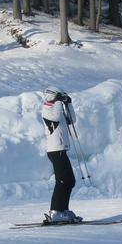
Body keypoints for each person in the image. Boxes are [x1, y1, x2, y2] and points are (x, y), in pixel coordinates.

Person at [42, 87, 82, 224]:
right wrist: (59, 101)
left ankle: (63, 210)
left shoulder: (57, 108)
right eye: (58, 96)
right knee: (62, 181)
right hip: (55, 150)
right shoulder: (47, 109)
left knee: (70, 180)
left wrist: (68, 103)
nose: (60, 98)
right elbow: (56, 117)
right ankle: (55, 212)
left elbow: (72, 120)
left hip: (61, 149)